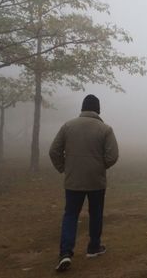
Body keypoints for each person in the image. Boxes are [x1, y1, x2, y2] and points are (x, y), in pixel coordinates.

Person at [49, 94, 119, 272]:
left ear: (82, 108)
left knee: (71, 215)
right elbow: (112, 156)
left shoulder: (68, 126)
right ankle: (93, 248)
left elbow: (53, 151)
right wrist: (99, 167)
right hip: (96, 181)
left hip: (73, 181)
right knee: (95, 214)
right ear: (98, 109)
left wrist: (64, 168)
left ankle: (65, 253)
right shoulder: (105, 129)